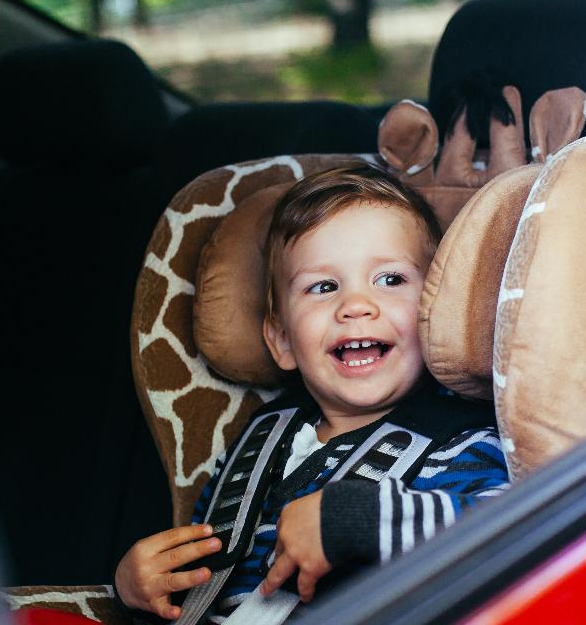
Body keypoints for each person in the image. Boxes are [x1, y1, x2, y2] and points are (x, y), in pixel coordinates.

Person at [114, 165, 508, 623]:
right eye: (323, 287)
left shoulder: (463, 441)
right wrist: (139, 584)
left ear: (434, 311)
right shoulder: (258, 439)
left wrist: (356, 520)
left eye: (390, 279)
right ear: (281, 340)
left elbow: (504, 532)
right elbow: (199, 566)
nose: (356, 305)